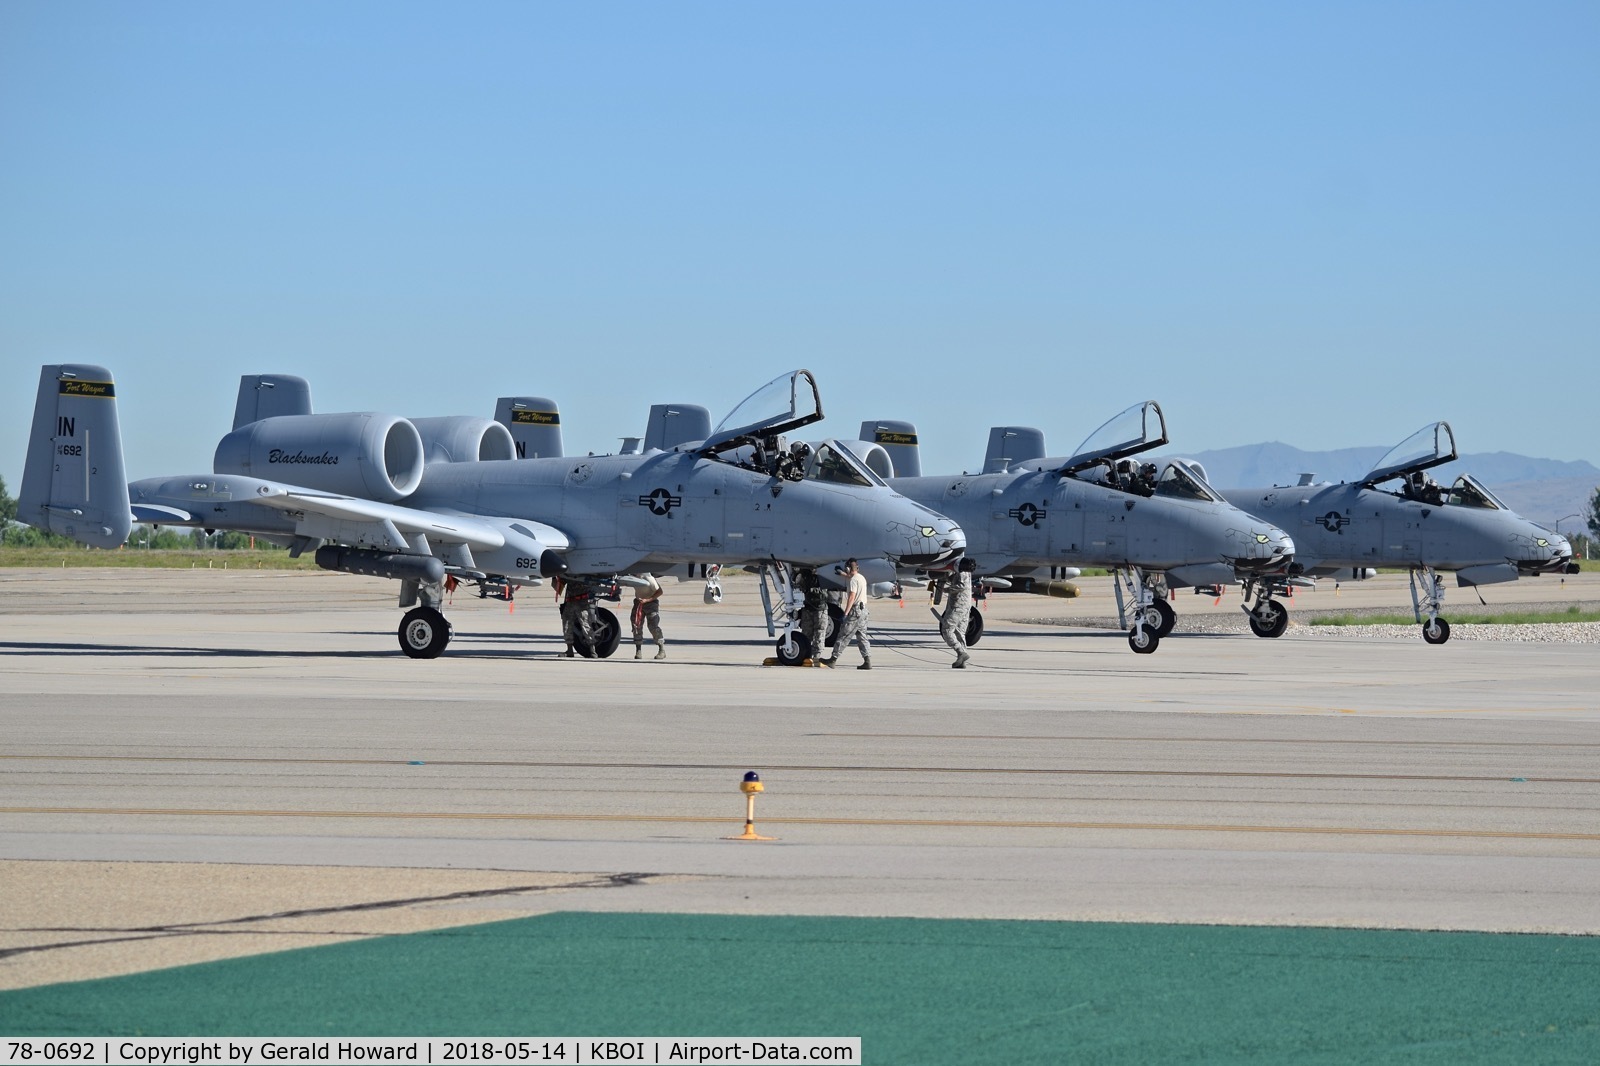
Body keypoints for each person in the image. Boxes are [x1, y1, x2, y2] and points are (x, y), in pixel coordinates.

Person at [821, 558, 871, 670]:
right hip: (864, 612)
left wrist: (846, 613)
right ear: (857, 568)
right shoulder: (861, 578)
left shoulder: (853, 580)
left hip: (855, 611)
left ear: (848, 568)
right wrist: (842, 574)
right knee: (862, 636)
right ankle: (867, 661)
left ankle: (833, 660)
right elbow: (851, 577)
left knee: (843, 635)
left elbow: (852, 597)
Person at [941, 557, 977, 668]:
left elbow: (961, 586)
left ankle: (961, 652)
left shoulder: (962, 571)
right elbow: (956, 580)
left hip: (957, 605)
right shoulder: (965, 572)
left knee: (947, 630)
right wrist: (947, 577)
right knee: (960, 632)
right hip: (966, 606)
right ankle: (961, 661)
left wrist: (946, 590)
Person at [558, 577, 597, 657]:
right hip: (570, 602)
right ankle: (569, 650)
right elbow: (560, 583)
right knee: (566, 625)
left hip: (582, 602)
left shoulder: (584, 573)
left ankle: (592, 650)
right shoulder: (569, 573)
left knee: (586, 625)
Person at [631, 572, 666, 660]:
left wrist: (647, 600)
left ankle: (661, 650)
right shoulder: (632, 576)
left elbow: (660, 591)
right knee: (636, 626)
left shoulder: (648, 578)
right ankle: (638, 650)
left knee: (653, 627)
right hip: (638, 603)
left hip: (651, 604)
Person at [799, 568, 830, 659]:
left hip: (820, 608)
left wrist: (810, 590)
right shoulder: (805, 577)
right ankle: (806, 654)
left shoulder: (823, 578)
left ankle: (816, 655)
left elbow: (823, 593)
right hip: (808, 608)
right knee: (806, 633)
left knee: (819, 633)